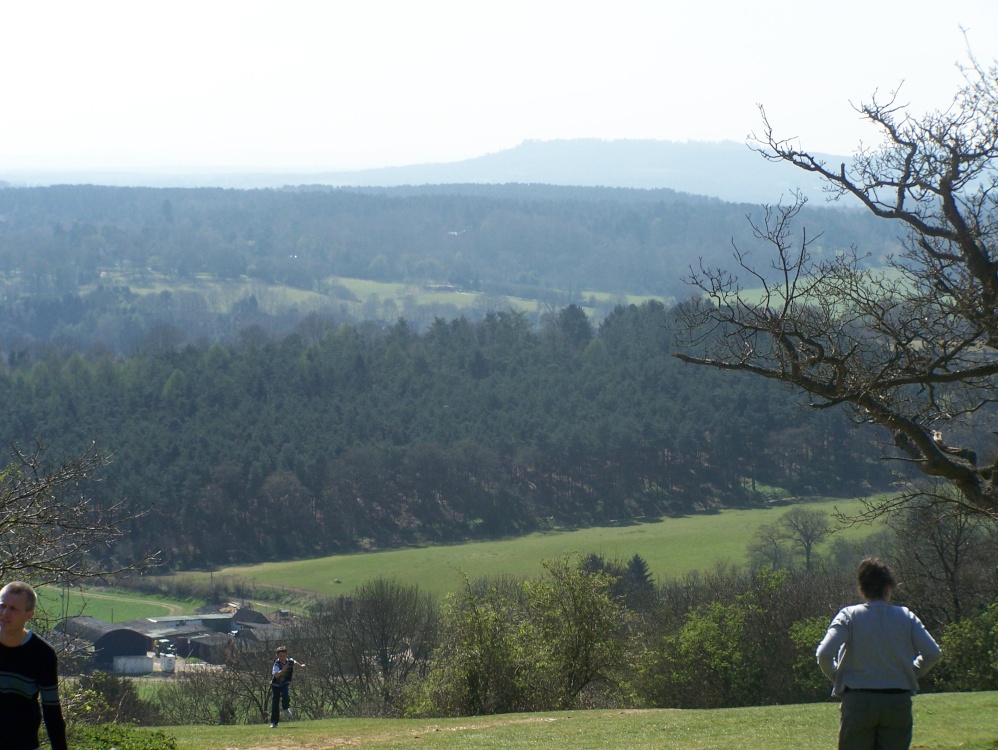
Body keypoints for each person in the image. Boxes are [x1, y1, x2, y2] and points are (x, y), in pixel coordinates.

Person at [816, 557, 941, 750]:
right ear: (888, 588)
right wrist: (911, 672)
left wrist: (839, 677)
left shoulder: (848, 616)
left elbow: (824, 654)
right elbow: (932, 653)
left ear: (862, 588)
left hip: (858, 700)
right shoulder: (906, 616)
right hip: (896, 700)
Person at [0, 581, 68, 750]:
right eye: (2, 606)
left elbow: (51, 709)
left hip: (23, 744)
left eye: (13, 609)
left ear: (28, 615)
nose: (5, 613)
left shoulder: (42, 655)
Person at [270, 645, 307, 728]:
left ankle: (286, 708)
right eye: (280, 656)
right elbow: (276, 675)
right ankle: (274, 722)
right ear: (277, 656)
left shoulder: (289, 661)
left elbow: (294, 662)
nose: (282, 657)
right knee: (275, 703)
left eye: (284, 655)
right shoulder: (276, 664)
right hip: (276, 685)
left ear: (286, 655)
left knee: (285, 695)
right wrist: (285, 668)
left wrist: (301, 666)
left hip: (285, 683)